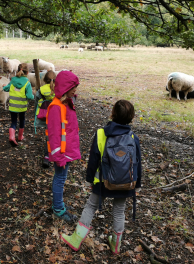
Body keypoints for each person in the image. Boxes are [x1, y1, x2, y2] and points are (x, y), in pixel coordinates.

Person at [61, 100, 142, 254]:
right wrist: (137, 183)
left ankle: (76, 239)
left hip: (103, 181)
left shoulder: (101, 133)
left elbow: (93, 159)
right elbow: (138, 162)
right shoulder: (133, 138)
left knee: (91, 206)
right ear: (131, 117)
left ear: (113, 113)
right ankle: (115, 245)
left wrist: (90, 179)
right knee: (119, 211)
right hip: (126, 182)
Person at [46, 70, 81, 222]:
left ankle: (59, 204)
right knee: (60, 178)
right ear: (66, 87)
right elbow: (54, 134)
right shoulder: (56, 107)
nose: (75, 90)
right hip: (62, 152)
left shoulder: (65, 103)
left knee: (62, 177)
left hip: (67, 149)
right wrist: (58, 155)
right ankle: (58, 208)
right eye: (73, 87)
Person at [3, 63, 34, 146]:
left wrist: (3, 87)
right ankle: (20, 137)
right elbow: (30, 96)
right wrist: (32, 96)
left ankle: (12, 136)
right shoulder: (27, 83)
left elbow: (6, 89)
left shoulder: (12, 81)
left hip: (13, 106)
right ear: (27, 73)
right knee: (22, 120)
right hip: (22, 107)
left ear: (17, 71)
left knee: (13, 121)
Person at [33, 70, 56, 168]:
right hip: (58, 114)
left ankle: (47, 156)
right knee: (59, 134)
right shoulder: (59, 89)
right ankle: (57, 153)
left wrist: (35, 112)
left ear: (44, 79)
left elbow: (37, 101)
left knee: (49, 135)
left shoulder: (41, 89)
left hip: (47, 114)